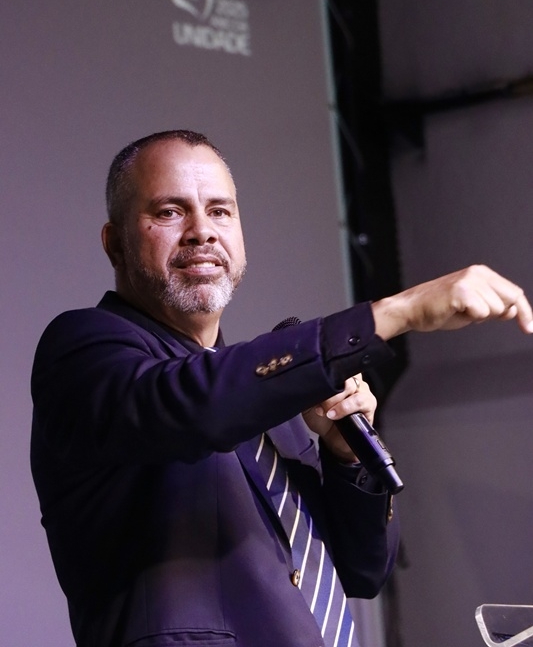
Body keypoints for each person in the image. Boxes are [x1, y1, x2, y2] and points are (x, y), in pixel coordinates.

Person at [30, 130, 533, 647]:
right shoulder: (82, 350)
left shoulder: (266, 400)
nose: (202, 232)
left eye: (220, 211)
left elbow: (362, 570)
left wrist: (343, 455)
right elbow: (191, 406)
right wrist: (395, 313)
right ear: (115, 243)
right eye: (169, 212)